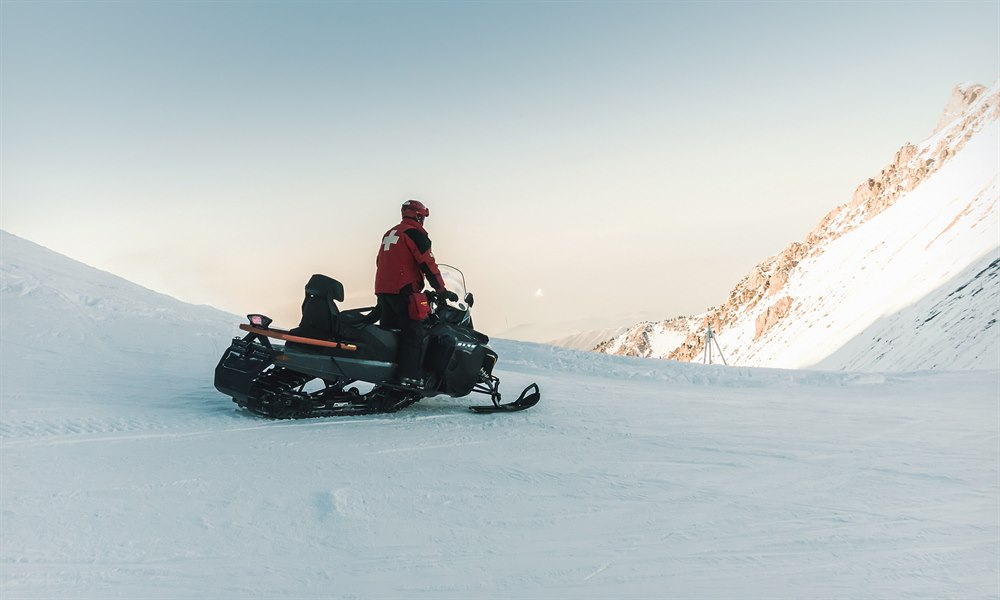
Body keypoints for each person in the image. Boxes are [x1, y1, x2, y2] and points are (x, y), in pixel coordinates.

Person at [375, 199, 458, 387]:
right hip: (403, 290)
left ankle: (387, 375)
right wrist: (441, 290)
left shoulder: (390, 233)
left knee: (391, 333)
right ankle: (409, 377)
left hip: (383, 290)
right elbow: (428, 264)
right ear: (419, 216)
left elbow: (380, 261)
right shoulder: (414, 233)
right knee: (414, 333)